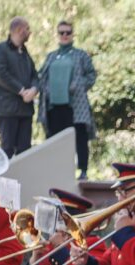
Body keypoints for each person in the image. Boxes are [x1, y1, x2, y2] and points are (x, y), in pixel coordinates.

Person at [36, 20, 97, 180]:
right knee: (56, 141)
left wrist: (78, 85)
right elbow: (41, 76)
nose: (64, 35)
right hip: (54, 107)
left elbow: (91, 76)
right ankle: (57, 173)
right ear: (57, 35)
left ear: (72, 35)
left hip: (75, 106)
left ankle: (83, 170)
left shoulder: (81, 55)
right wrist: (47, 89)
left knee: (80, 138)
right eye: (61, 32)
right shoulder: (51, 56)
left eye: (67, 32)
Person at [0, 17, 38, 158]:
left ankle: (24, 180)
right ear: (18, 30)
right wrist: (21, 91)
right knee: (7, 150)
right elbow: (0, 74)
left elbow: (35, 75)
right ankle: (6, 180)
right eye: (27, 29)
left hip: (25, 111)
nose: (29, 32)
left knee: (25, 151)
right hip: (7, 110)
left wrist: (34, 89)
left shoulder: (25, 54)